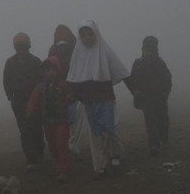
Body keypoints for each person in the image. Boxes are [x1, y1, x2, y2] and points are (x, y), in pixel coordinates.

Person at [67, 21, 130, 179]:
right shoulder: (78, 54)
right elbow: (73, 79)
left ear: (96, 34)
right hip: (89, 100)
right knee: (95, 133)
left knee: (109, 129)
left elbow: (121, 70)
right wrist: (73, 96)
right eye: (83, 35)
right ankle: (99, 167)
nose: (87, 38)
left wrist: (135, 90)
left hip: (106, 97)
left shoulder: (105, 51)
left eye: (90, 34)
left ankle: (115, 156)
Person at [26, 57, 75, 183]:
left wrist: (70, 98)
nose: (50, 73)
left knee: (61, 144)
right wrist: (30, 111)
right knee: (52, 145)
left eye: (53, 70)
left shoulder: (64, 85)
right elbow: (33, 100)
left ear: (58, 71)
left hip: (62, 122)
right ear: (43, 73)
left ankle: (62, 170)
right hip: (47, 122)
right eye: (47, 70)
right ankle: (59, 163)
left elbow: (71, 97)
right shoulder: (40, 87)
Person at [3, 32, 44, 170]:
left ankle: (40, 154)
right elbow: (6, 81)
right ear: (15, 48)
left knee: (37, 128)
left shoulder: (36, 61)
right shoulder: (10, 63)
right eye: (19, 47)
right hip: (18, 102)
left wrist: (39, 98)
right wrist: (11, 97)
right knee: (25, 131)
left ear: (28, 47)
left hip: (36, 101)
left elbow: (41, 81)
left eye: (24, 47)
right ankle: (31, 159)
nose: (21, 50)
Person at [129, 36, 172, 157]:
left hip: (160, 97)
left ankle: (163, 137)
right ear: (142, 49)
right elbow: (132, 80)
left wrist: (165, 93)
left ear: (156, 50)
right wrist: (136, 92)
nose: (149, 53)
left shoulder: (160, 63)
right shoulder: (138, 63)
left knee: (163, 119)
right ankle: (154, 146)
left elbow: (168, 79)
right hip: (145, 98)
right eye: (147, 50)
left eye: (152, 50)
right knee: (151, 121)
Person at [48, 25, 86, 160]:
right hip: (71, 89)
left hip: (68, 90)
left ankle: (70, 147)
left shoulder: (54, 50)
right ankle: (73, 147)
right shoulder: (76, 49)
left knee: (68, 119)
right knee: (74, 120)